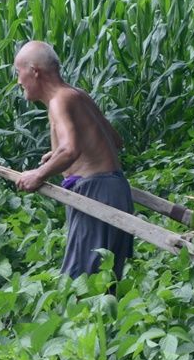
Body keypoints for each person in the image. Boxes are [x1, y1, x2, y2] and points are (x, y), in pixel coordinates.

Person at [12, 41, 134, 280]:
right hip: (116, 190)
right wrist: (56, 154)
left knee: (81, 283)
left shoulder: (59, 100)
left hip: (96, 192)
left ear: (35, 71)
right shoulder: (77, 95)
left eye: (19, 73)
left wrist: (38, 175)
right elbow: (114, 141)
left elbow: (71, 150)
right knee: (105, 282)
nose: (18, 81)